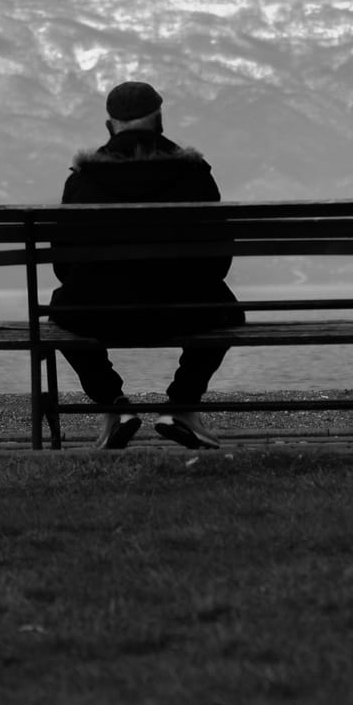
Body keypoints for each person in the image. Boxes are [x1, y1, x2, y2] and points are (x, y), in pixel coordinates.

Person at [51, 80, 243, 449]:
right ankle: (180, 406)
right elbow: (218, 258)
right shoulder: (195, 175)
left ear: (110, 126)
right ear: (159, 121)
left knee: (59, 313)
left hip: (99, 313)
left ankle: (114, 405)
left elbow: (64, 264)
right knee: (227, 310)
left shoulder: (83, 181)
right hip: (185, 311)